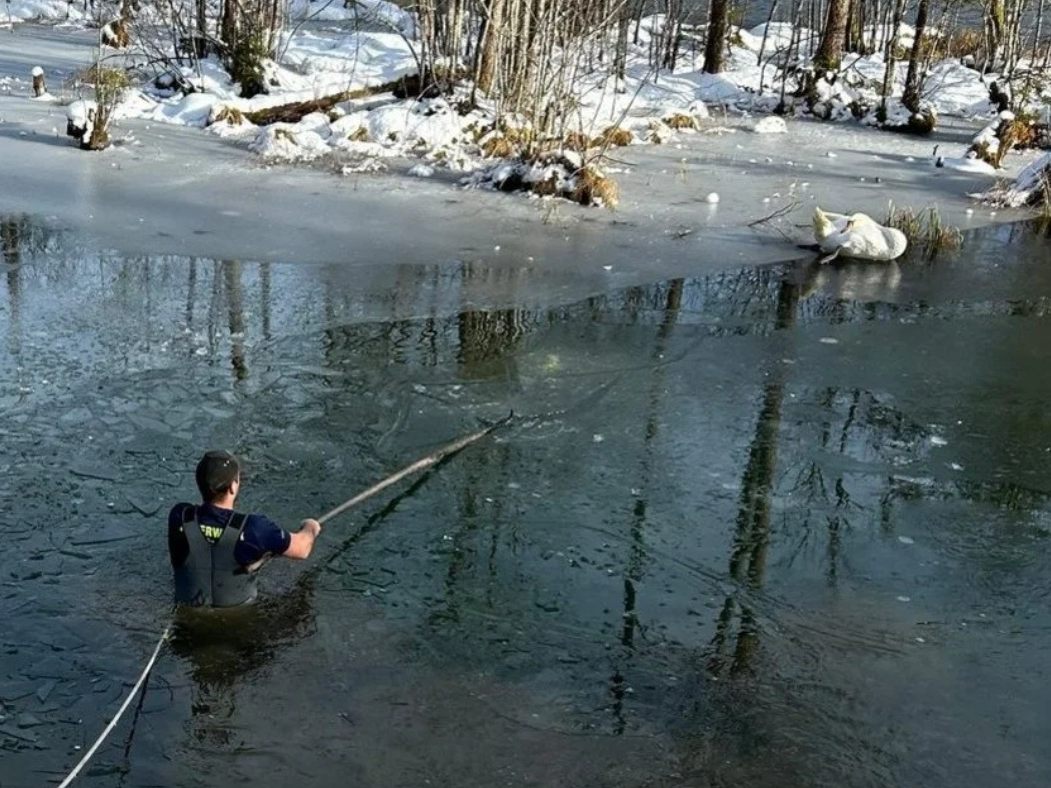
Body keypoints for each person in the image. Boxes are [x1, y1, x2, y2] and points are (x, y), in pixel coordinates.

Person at [168, 450, 322, 607]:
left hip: (189, 612)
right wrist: (310, 527)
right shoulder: (255, 528)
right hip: (239, 615)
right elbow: (302, 550)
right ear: (233, 487)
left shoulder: (179, 517)